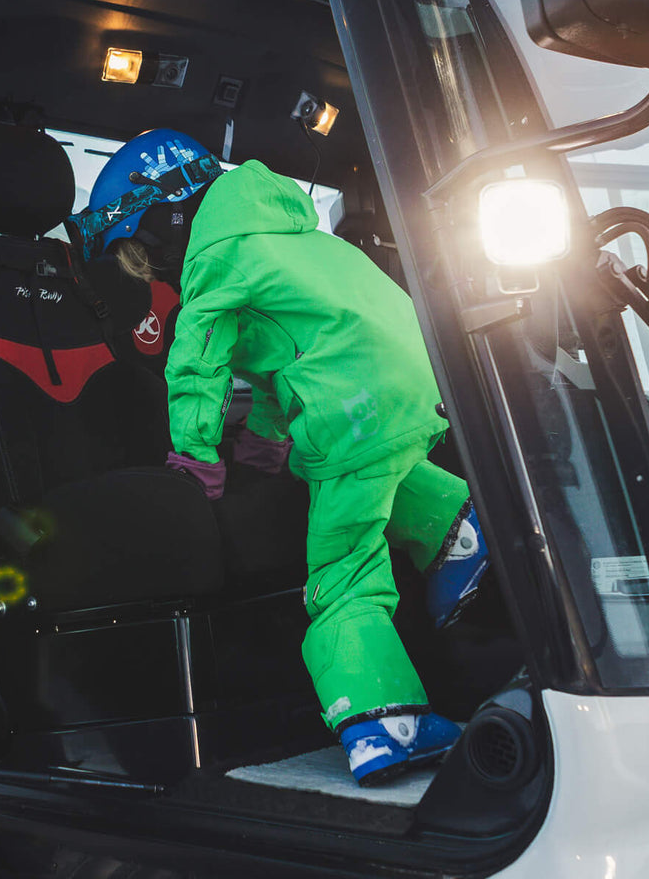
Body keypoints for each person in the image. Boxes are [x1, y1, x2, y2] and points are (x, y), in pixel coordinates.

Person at [69, 129, 489, 786]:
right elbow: (286, 354)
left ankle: (382, 720)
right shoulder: (285, 236)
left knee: (343, 575)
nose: (156, 274)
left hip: (351, 408)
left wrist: (198, 459)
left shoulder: (213, 258)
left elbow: (197, 362)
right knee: (381, 471)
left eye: (143, 255)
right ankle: (456, 535)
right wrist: (266, 442)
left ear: (165, 222)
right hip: (414, 390)